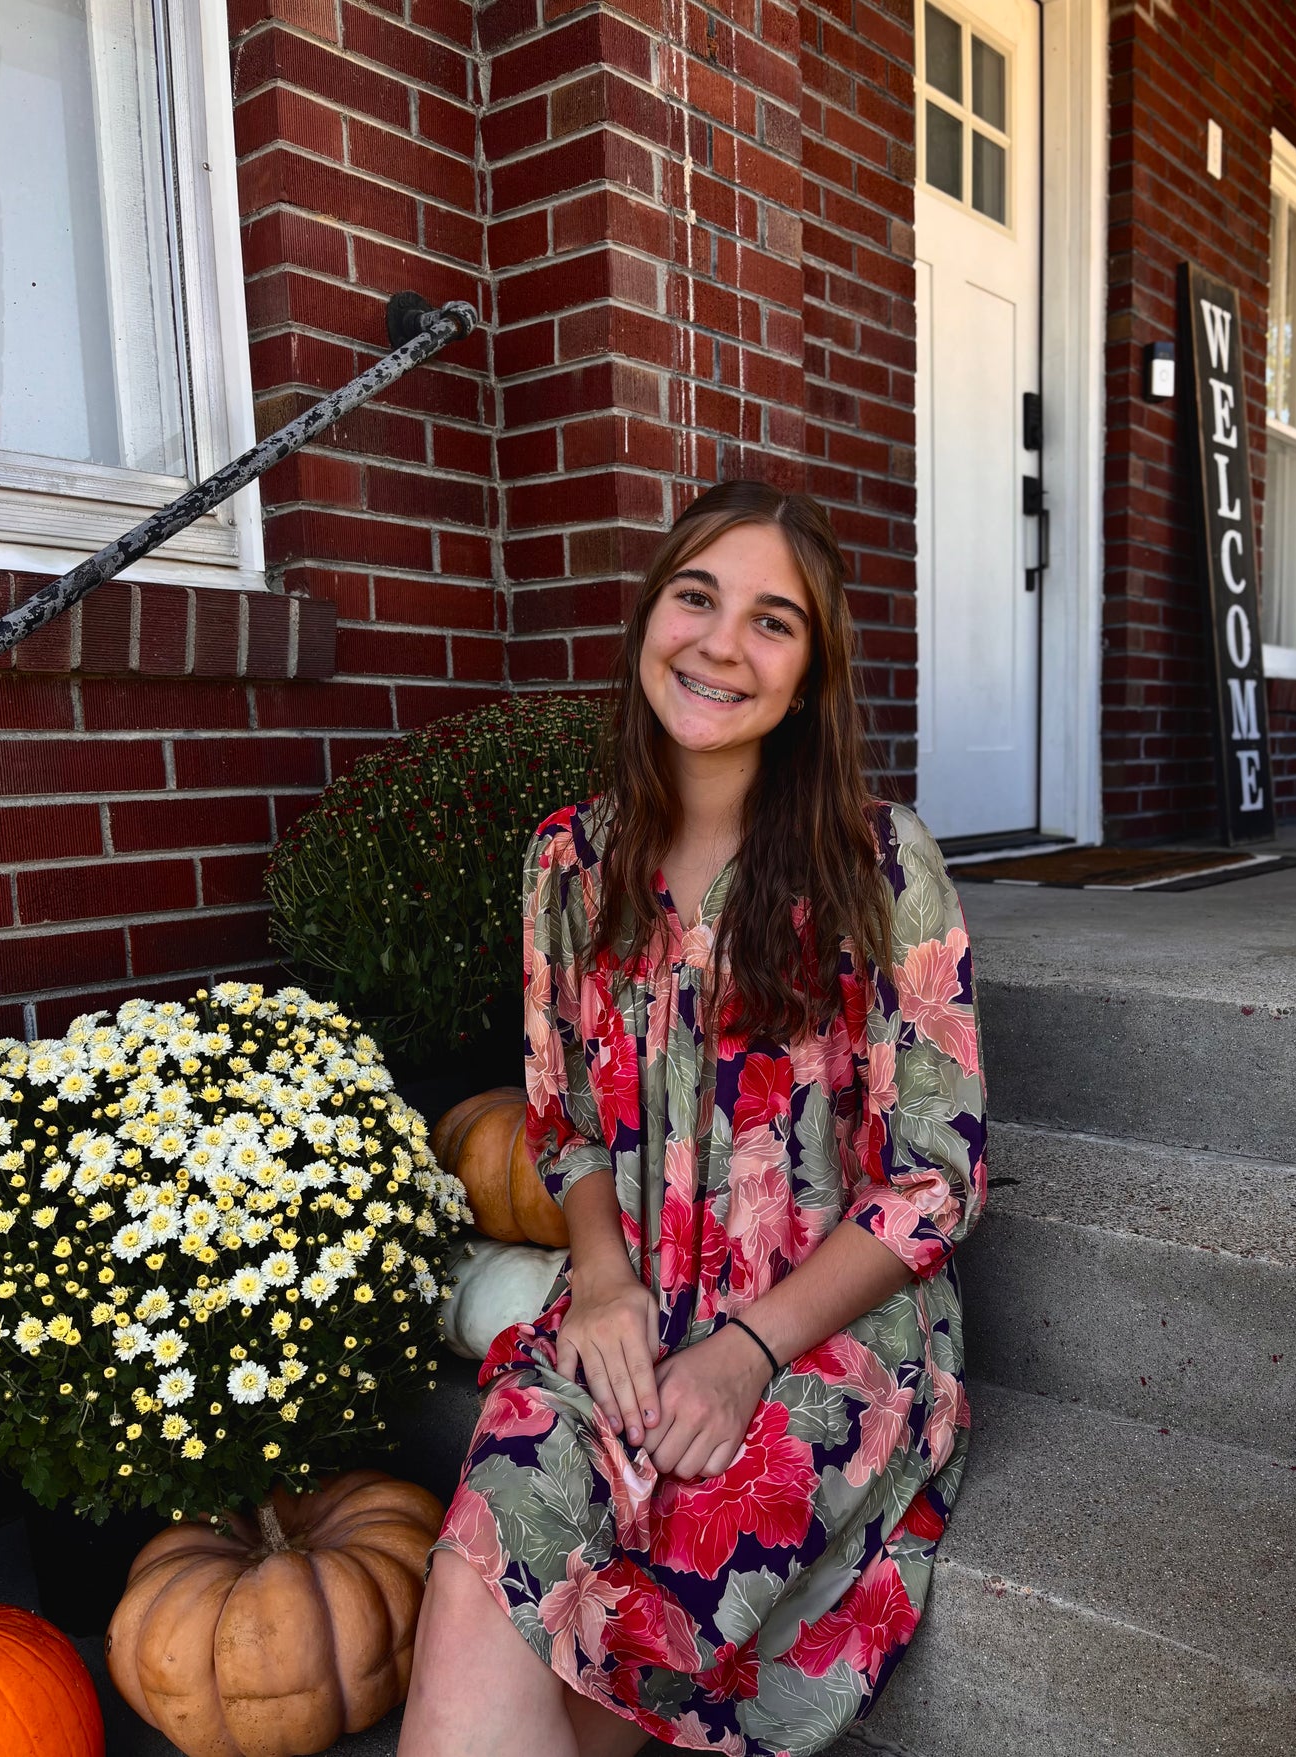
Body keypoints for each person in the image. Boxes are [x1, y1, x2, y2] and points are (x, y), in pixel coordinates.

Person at [398, 481, 988, 1757]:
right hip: (628, 1292)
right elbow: (559, 1121)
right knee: (479, 1572)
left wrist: (744, 1353)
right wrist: (602, 1282)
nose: (722, 643)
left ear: (809, 675)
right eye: (696, 596)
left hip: (820, 1321)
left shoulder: (877, 864)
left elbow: (934, 1179)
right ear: (647, 618)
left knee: (613, 1640)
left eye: (771, 622)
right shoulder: (566, 861)